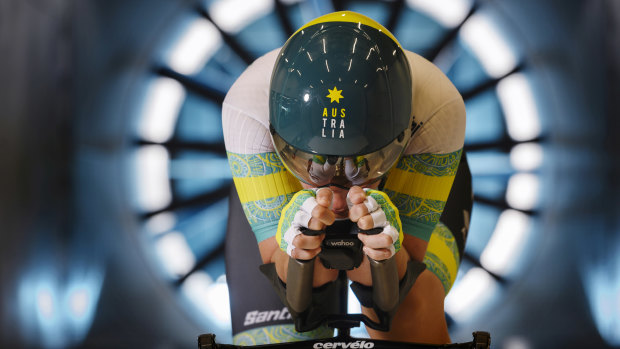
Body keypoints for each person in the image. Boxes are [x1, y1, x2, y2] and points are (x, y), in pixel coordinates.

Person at [222, 11, 472, 345]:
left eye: (361, 168)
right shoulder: (246, 109)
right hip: (286, 178)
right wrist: (297, 255)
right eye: (315, 167)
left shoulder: (437, 108)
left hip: (414, 161)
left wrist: (385, 257)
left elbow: (400, 311)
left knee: (409, 317)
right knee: (282, 332)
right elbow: (293, 295)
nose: (338, 199)